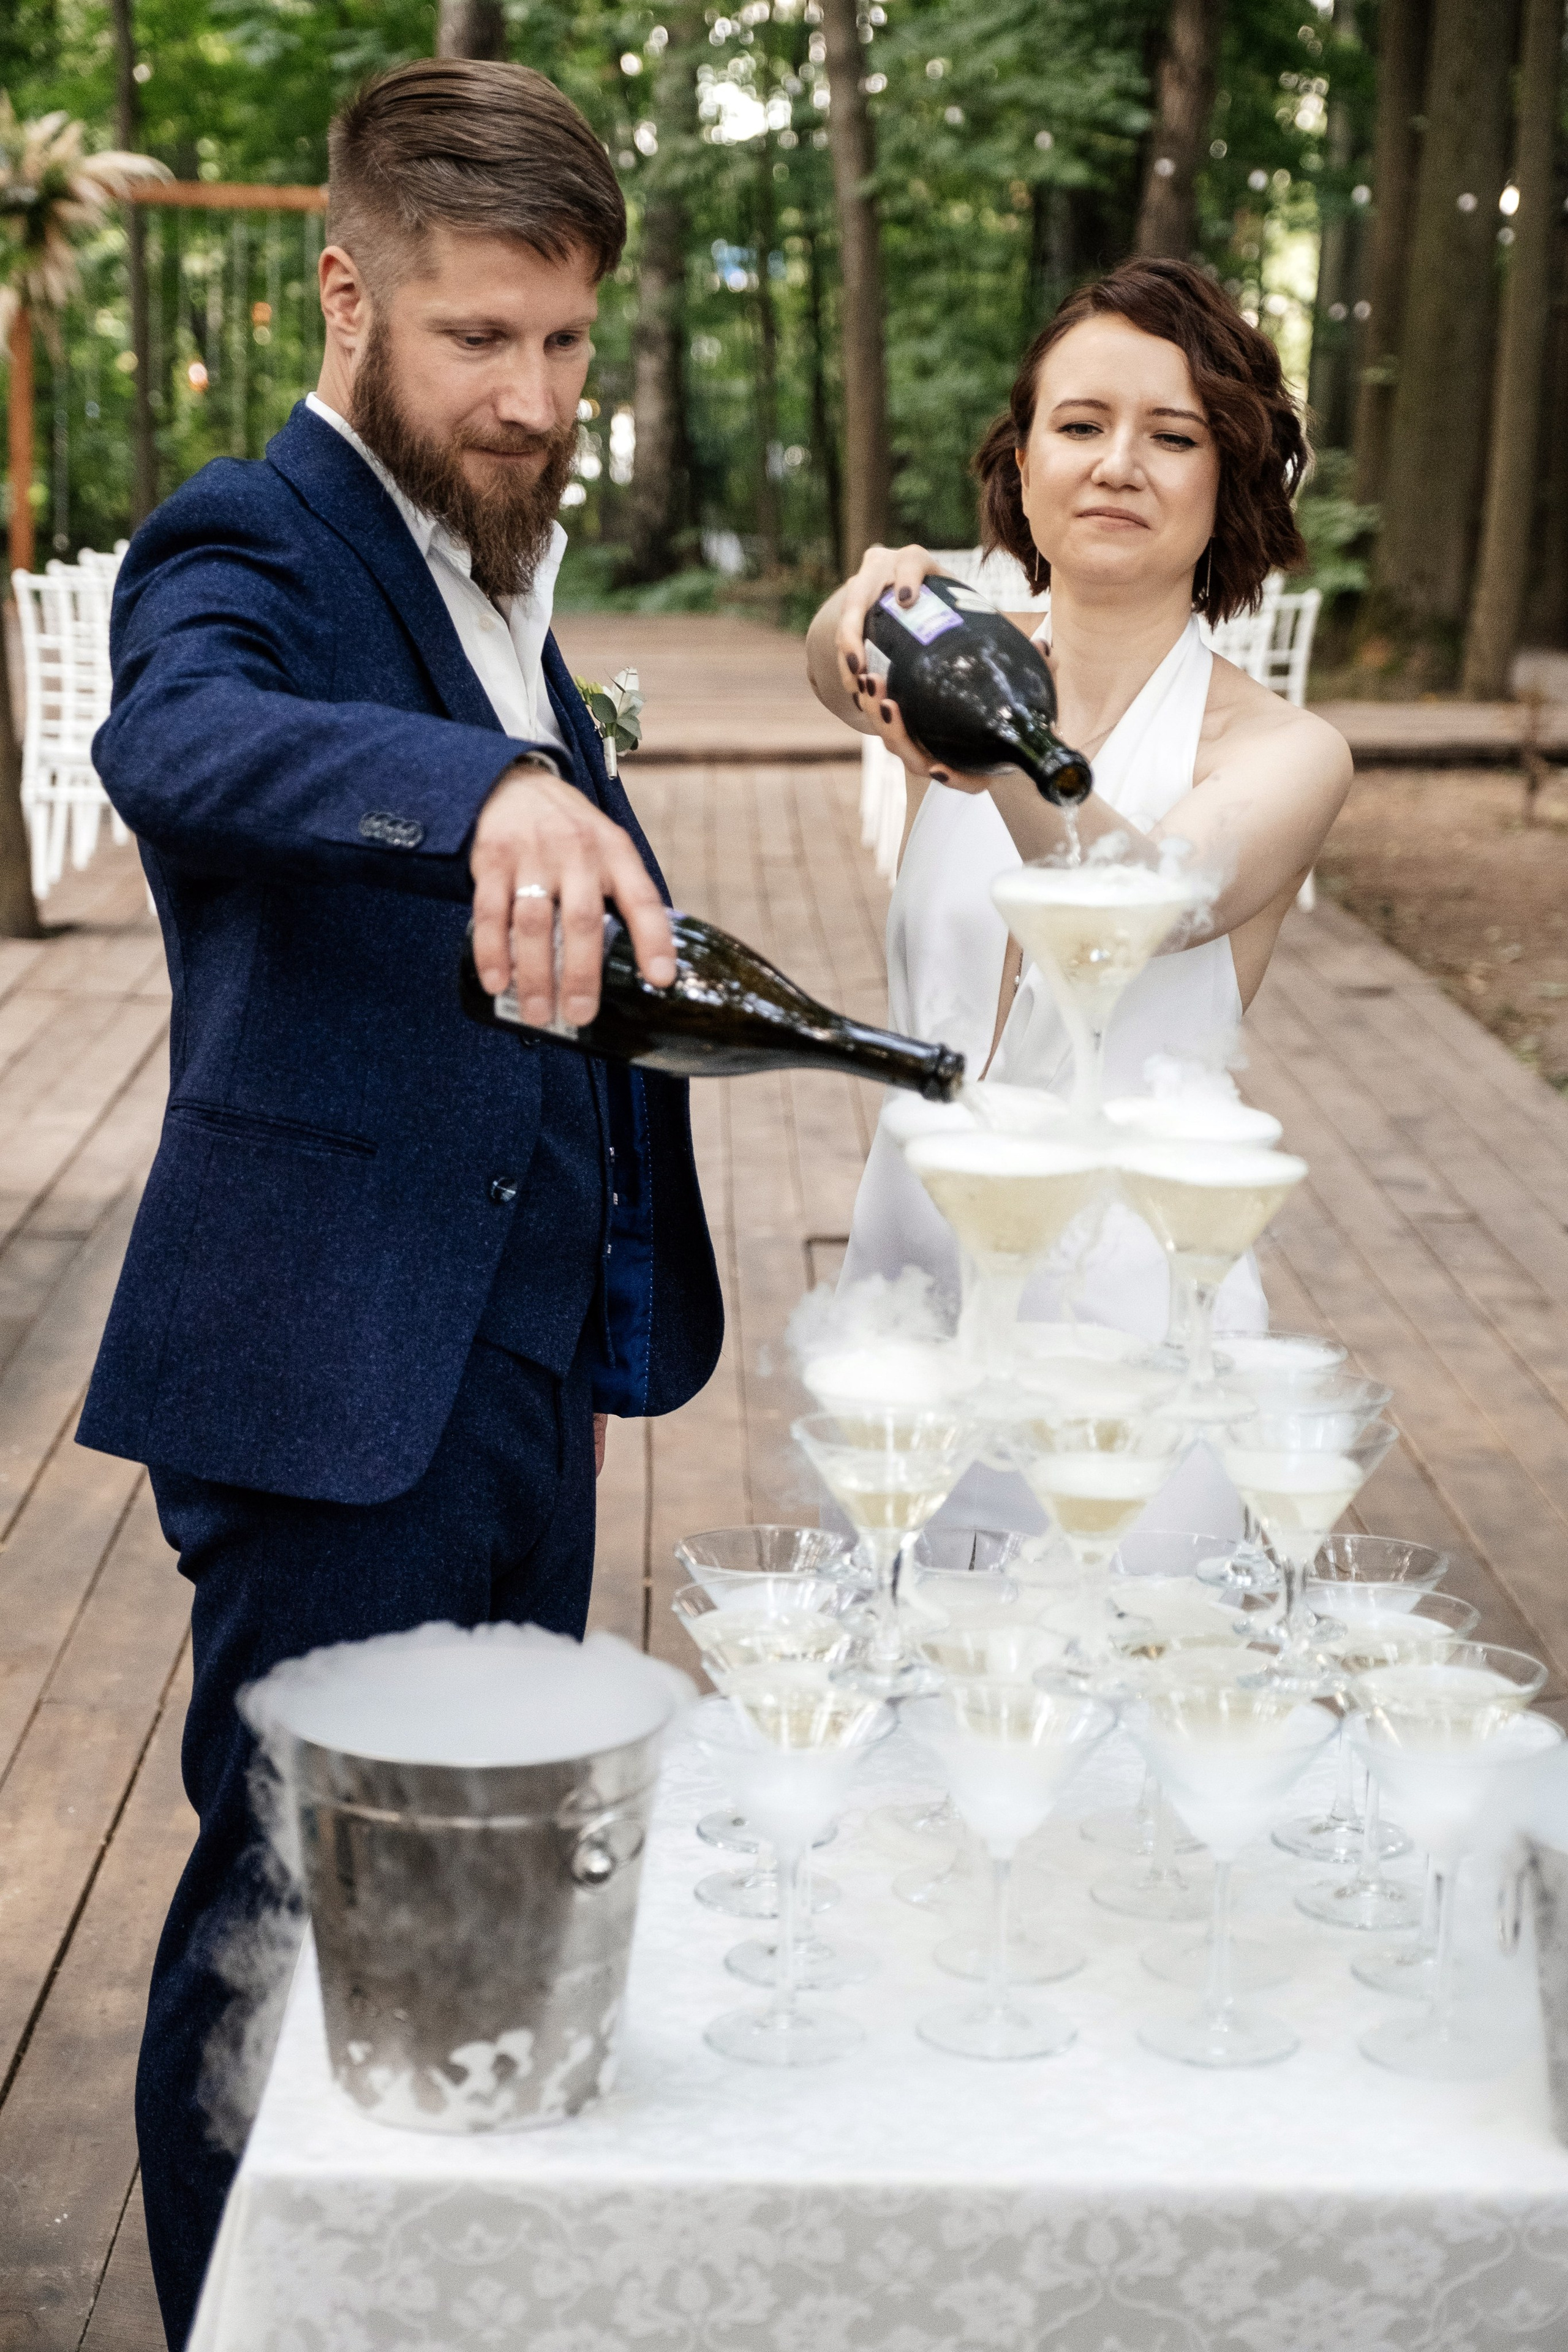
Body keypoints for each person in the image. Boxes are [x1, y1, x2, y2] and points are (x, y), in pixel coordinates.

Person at [76, 61, 723, 2347]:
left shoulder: (501, 576)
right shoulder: (245, 539)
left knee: (476, 1909)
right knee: (279, 1926)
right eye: (480, 340)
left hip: (525, 1371)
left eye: (566, 344)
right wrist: (495, 780)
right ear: (347, 294)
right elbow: (177, 738)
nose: (535, 398)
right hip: (325, 1372)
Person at [805, 259, 1351, 1523]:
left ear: (1230, 482)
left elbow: (1126, 901)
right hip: (903, 1294)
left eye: (1173, 436)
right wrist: (868, 595)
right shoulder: (951, 661)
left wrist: (993, 732)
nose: (1117, 464)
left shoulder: (1283, 754)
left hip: (1125, 1331)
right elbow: (831, 667)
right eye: (1079, 425)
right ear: (1021, 467)